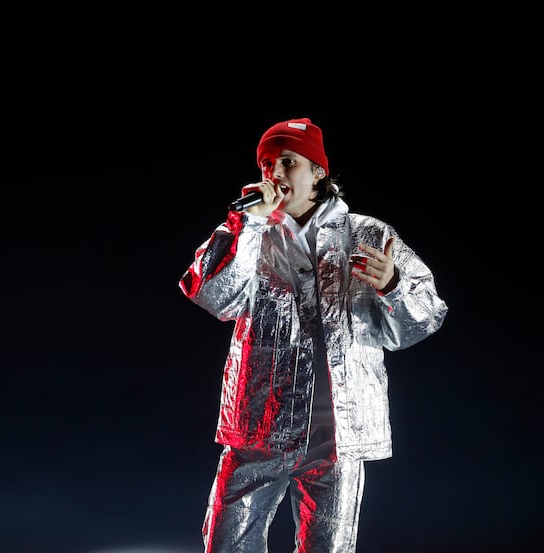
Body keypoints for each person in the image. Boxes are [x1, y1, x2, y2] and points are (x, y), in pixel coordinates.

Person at [178, 117, 448, 553]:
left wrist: (393, 285)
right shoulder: (250, 232)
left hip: (338, 435)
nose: (276, 173)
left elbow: (427, 317)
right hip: (258, 428)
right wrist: (246, 225)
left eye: (288, 161)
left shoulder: (369, 234)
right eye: (268, 163)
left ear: (319, 172)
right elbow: (210, 295)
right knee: (227, 544)